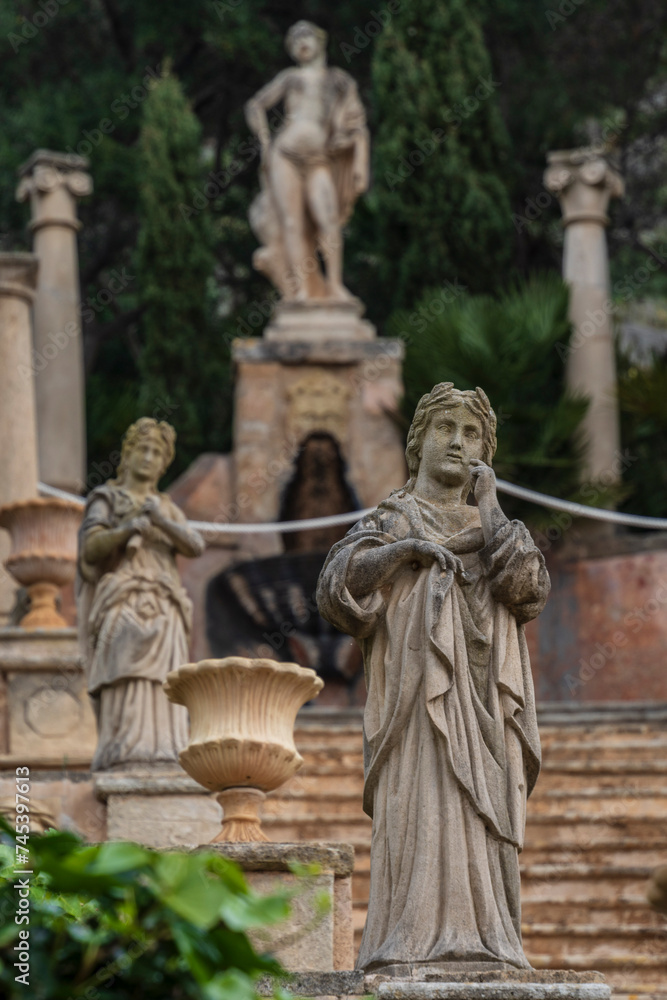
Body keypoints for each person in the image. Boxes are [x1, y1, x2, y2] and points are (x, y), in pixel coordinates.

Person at [317, 383, 550, 972]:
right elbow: (338, 586)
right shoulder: (394, 518)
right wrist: (408, 552)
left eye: (472, 434)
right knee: (422, 805)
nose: (458, 442)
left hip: (485, 705)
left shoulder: (496, 523)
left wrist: (490, 500)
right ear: (417, 443)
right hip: (417, 697)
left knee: (481, 814)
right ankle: (411, 935)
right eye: (446, 429)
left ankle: (486, 936)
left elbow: (525, 585)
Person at [77, 418, 204, 771]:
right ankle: (121, 746)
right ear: (127, 455)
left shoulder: (166, 508)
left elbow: (195, 545)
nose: (149, 458)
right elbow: (90, 548)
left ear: (164, 464)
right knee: (124, 663)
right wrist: (126, 529)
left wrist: (159, 521)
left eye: (157, 454)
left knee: (165, 676)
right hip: (123, 595)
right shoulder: (107, 498)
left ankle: (165, 748)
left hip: (165, 602)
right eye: (142, 450)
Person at [245, 20, 369, 301]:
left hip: (319, 159)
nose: (301, 42)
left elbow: (357, 125)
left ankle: (335, 285)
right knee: (292, 223)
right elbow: (255, 105)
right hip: (284, 156)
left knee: (328, 220)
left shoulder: (338, 80)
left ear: (320, 42)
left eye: (307, 36)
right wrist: (264, 141)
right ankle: (300, 290)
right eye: (294, 39)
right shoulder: (290, 77)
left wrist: (359, 163)